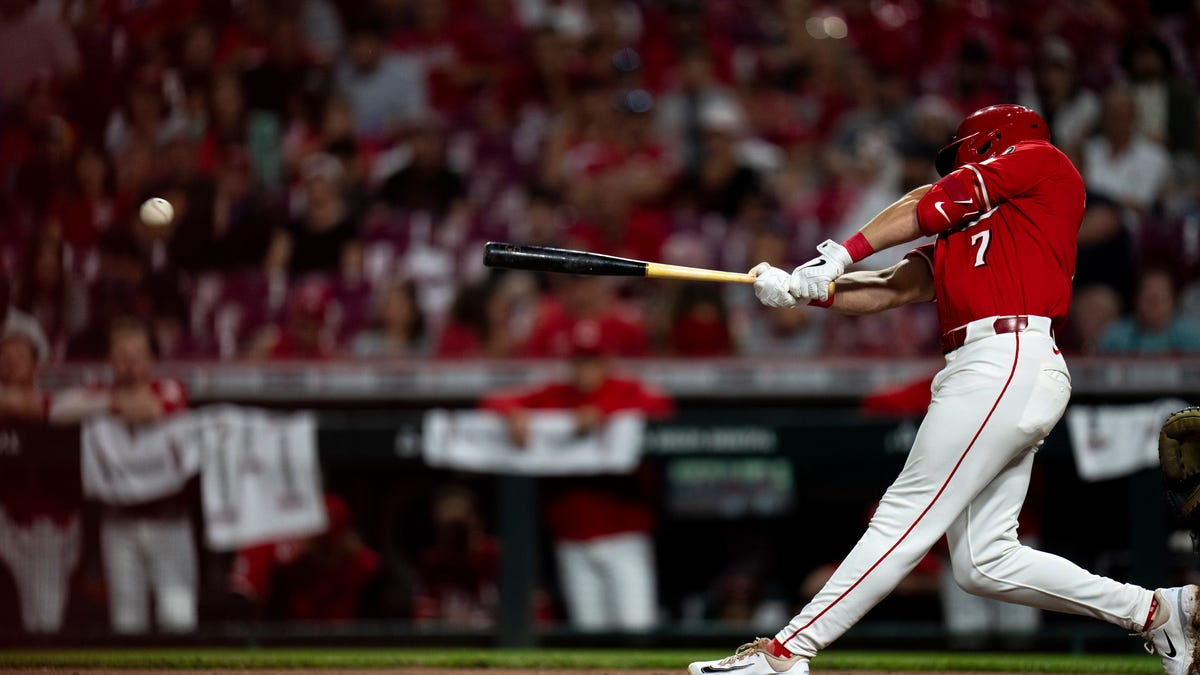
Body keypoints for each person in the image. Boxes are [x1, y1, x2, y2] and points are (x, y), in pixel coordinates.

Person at [688, 104, 1198, 675]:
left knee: (904, 514)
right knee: (984, 562)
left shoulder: (1041, 162)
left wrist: (836, 254)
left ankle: (786, 653)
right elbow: (890, 286)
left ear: (992, 142)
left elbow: (918, 205)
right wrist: (806, 290)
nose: (953, 167)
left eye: (961, 155)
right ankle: (1156, 611)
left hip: (1007, 355)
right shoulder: (976, 225)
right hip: (993, 368)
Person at [482, 329, 672, 630]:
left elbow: (662, 407)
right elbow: (492, 402)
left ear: (606, 363)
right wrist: (513, 414)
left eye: (592, 361)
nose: (585, 369)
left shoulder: (624, 389)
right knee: (589, 634)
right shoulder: (556, 394)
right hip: (572, 540)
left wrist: (604, 413)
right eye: (579, 361)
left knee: (637, 628)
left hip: (624, 536)